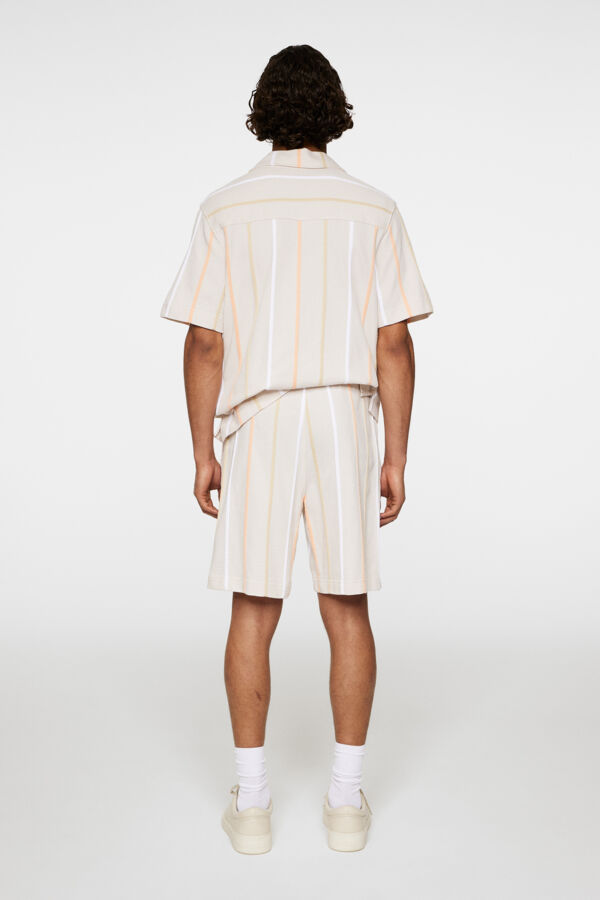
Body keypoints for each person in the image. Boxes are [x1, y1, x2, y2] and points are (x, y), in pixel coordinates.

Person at [160, 44, 433, 854]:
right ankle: (346, 805)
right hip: (345, 417)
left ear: (264, 111)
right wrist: (396, 456)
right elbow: (393, 342)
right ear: (334, 111)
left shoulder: (225, 208)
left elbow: (205, 341)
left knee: (253, 607)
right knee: (347, 607)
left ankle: (251, 806)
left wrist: (202, 450)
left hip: (261, 420)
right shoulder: (374, 209)